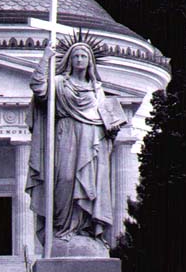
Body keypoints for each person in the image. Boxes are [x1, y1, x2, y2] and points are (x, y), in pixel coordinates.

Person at [26, 39, 125, 248]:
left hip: (91, 137)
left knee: (91, 184)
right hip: (66, 133)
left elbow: (105, 116)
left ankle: (86, 229)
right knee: (65, 179)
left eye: (83, 56)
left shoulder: (97, 88)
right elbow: (38, 87)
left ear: (90, 62)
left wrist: (112, 129)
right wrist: (46, 57)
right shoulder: (59, 82)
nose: (80, 59)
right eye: (76, 56)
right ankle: (62, 227)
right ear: (70, 60)